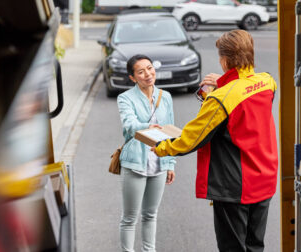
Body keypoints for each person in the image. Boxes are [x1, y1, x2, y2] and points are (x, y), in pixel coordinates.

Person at [151, 30, 278, 252]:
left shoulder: (221, 99)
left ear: (225, 59)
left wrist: (162, 148)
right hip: (264, 178)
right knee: (255, 245)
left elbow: (192, 138)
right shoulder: (267, 82)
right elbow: (243, 98)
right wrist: (223, 84)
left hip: (236, 186)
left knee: (233, 248)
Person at [117, 54, 176, 252]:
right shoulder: (125, 98)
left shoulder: (165, 97)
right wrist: (149, 126)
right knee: (129, 218)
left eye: (149, 68)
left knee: (151, 215)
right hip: (135, 164)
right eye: (141, 72)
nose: (147, 74)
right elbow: (129, 126)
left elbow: (169, 131)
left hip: (158, 163)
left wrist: (170, 164)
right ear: (133, 78)